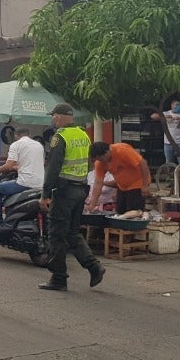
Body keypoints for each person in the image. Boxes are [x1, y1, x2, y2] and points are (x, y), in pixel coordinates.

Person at [38, 103, 105, 292]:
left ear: (59, 117)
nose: (52, 119)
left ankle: (58, 278)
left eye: (53, 116)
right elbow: (89, 164)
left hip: (65, 192)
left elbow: (52, 169)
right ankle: (94, 267)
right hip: (80, 190)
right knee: (72, 233)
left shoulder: (60, 137)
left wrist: (45, 195)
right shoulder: (83, 135)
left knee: (57, 235)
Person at [0, 126, 44, 227]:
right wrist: (17, 168)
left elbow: (8, 166)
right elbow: (35, 164)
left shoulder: (16, 144)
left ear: (16, 136)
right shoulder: (38, 145)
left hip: (26, 183)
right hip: (41, 183)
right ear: (29, 135)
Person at [86, 141, 152, 215]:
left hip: (137, 183)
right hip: (122, 186)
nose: (100, 161)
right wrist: (92, 204)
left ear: (106, 152)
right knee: (120, 212)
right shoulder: (100, 163)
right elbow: (98, 183)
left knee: (133, 211)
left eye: (101, 159)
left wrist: (145, 186)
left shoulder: (122, 150)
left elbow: (143, 163)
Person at [152, 99, 180, 165]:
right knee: (169, 162)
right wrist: (165, 117)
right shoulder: (167, 113)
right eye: (176, 105)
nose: (178, 106)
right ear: (172, 105)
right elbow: (153, 116)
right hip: (168, 142)